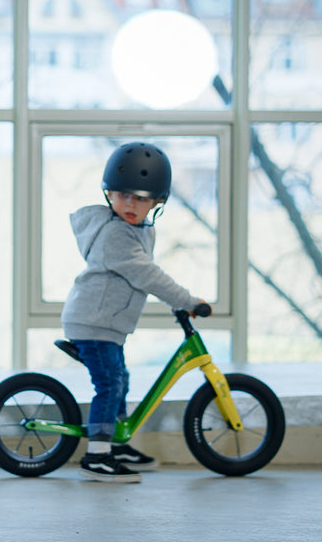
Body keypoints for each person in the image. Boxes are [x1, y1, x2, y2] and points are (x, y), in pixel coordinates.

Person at [59, 141, 205, 483]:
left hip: (105, 324)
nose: (130, 204)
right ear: (109, 194)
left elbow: (143, 275)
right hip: (92, 322)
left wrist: (177, 300)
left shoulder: (137, 231)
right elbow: (147, 275)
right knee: (109, 385)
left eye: (140, 198)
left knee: (120, 381)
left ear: (157, 203)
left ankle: (116, 443)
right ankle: (97, 456)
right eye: (123, 195)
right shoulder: (116, 235)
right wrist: (187, 300)